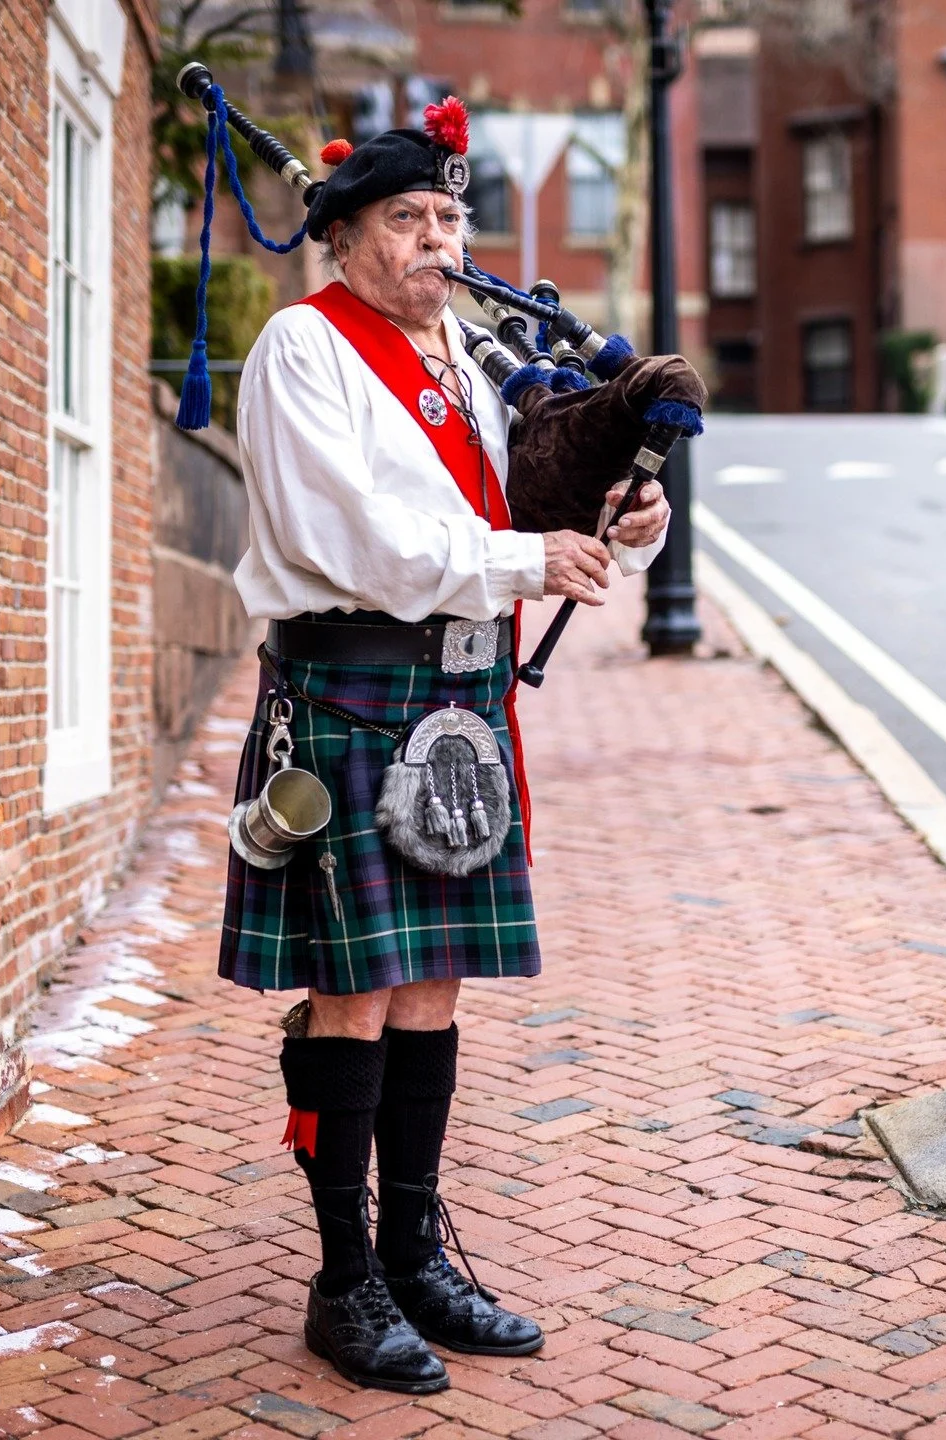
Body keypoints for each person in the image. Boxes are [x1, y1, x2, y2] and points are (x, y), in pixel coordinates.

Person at [217, 101, 671, 1394]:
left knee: (434, 986)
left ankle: (415, 1255)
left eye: (450, 218)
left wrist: (618, 513)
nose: (437, 239)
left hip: (458, 702)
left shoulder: (467, 359)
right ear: (344, 233)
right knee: (355, 991)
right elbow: (357, 539)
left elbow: (510, 505)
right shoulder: (305, 349)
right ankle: (343, 1280)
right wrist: (529, 557)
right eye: (408, 217)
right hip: (350, 691)